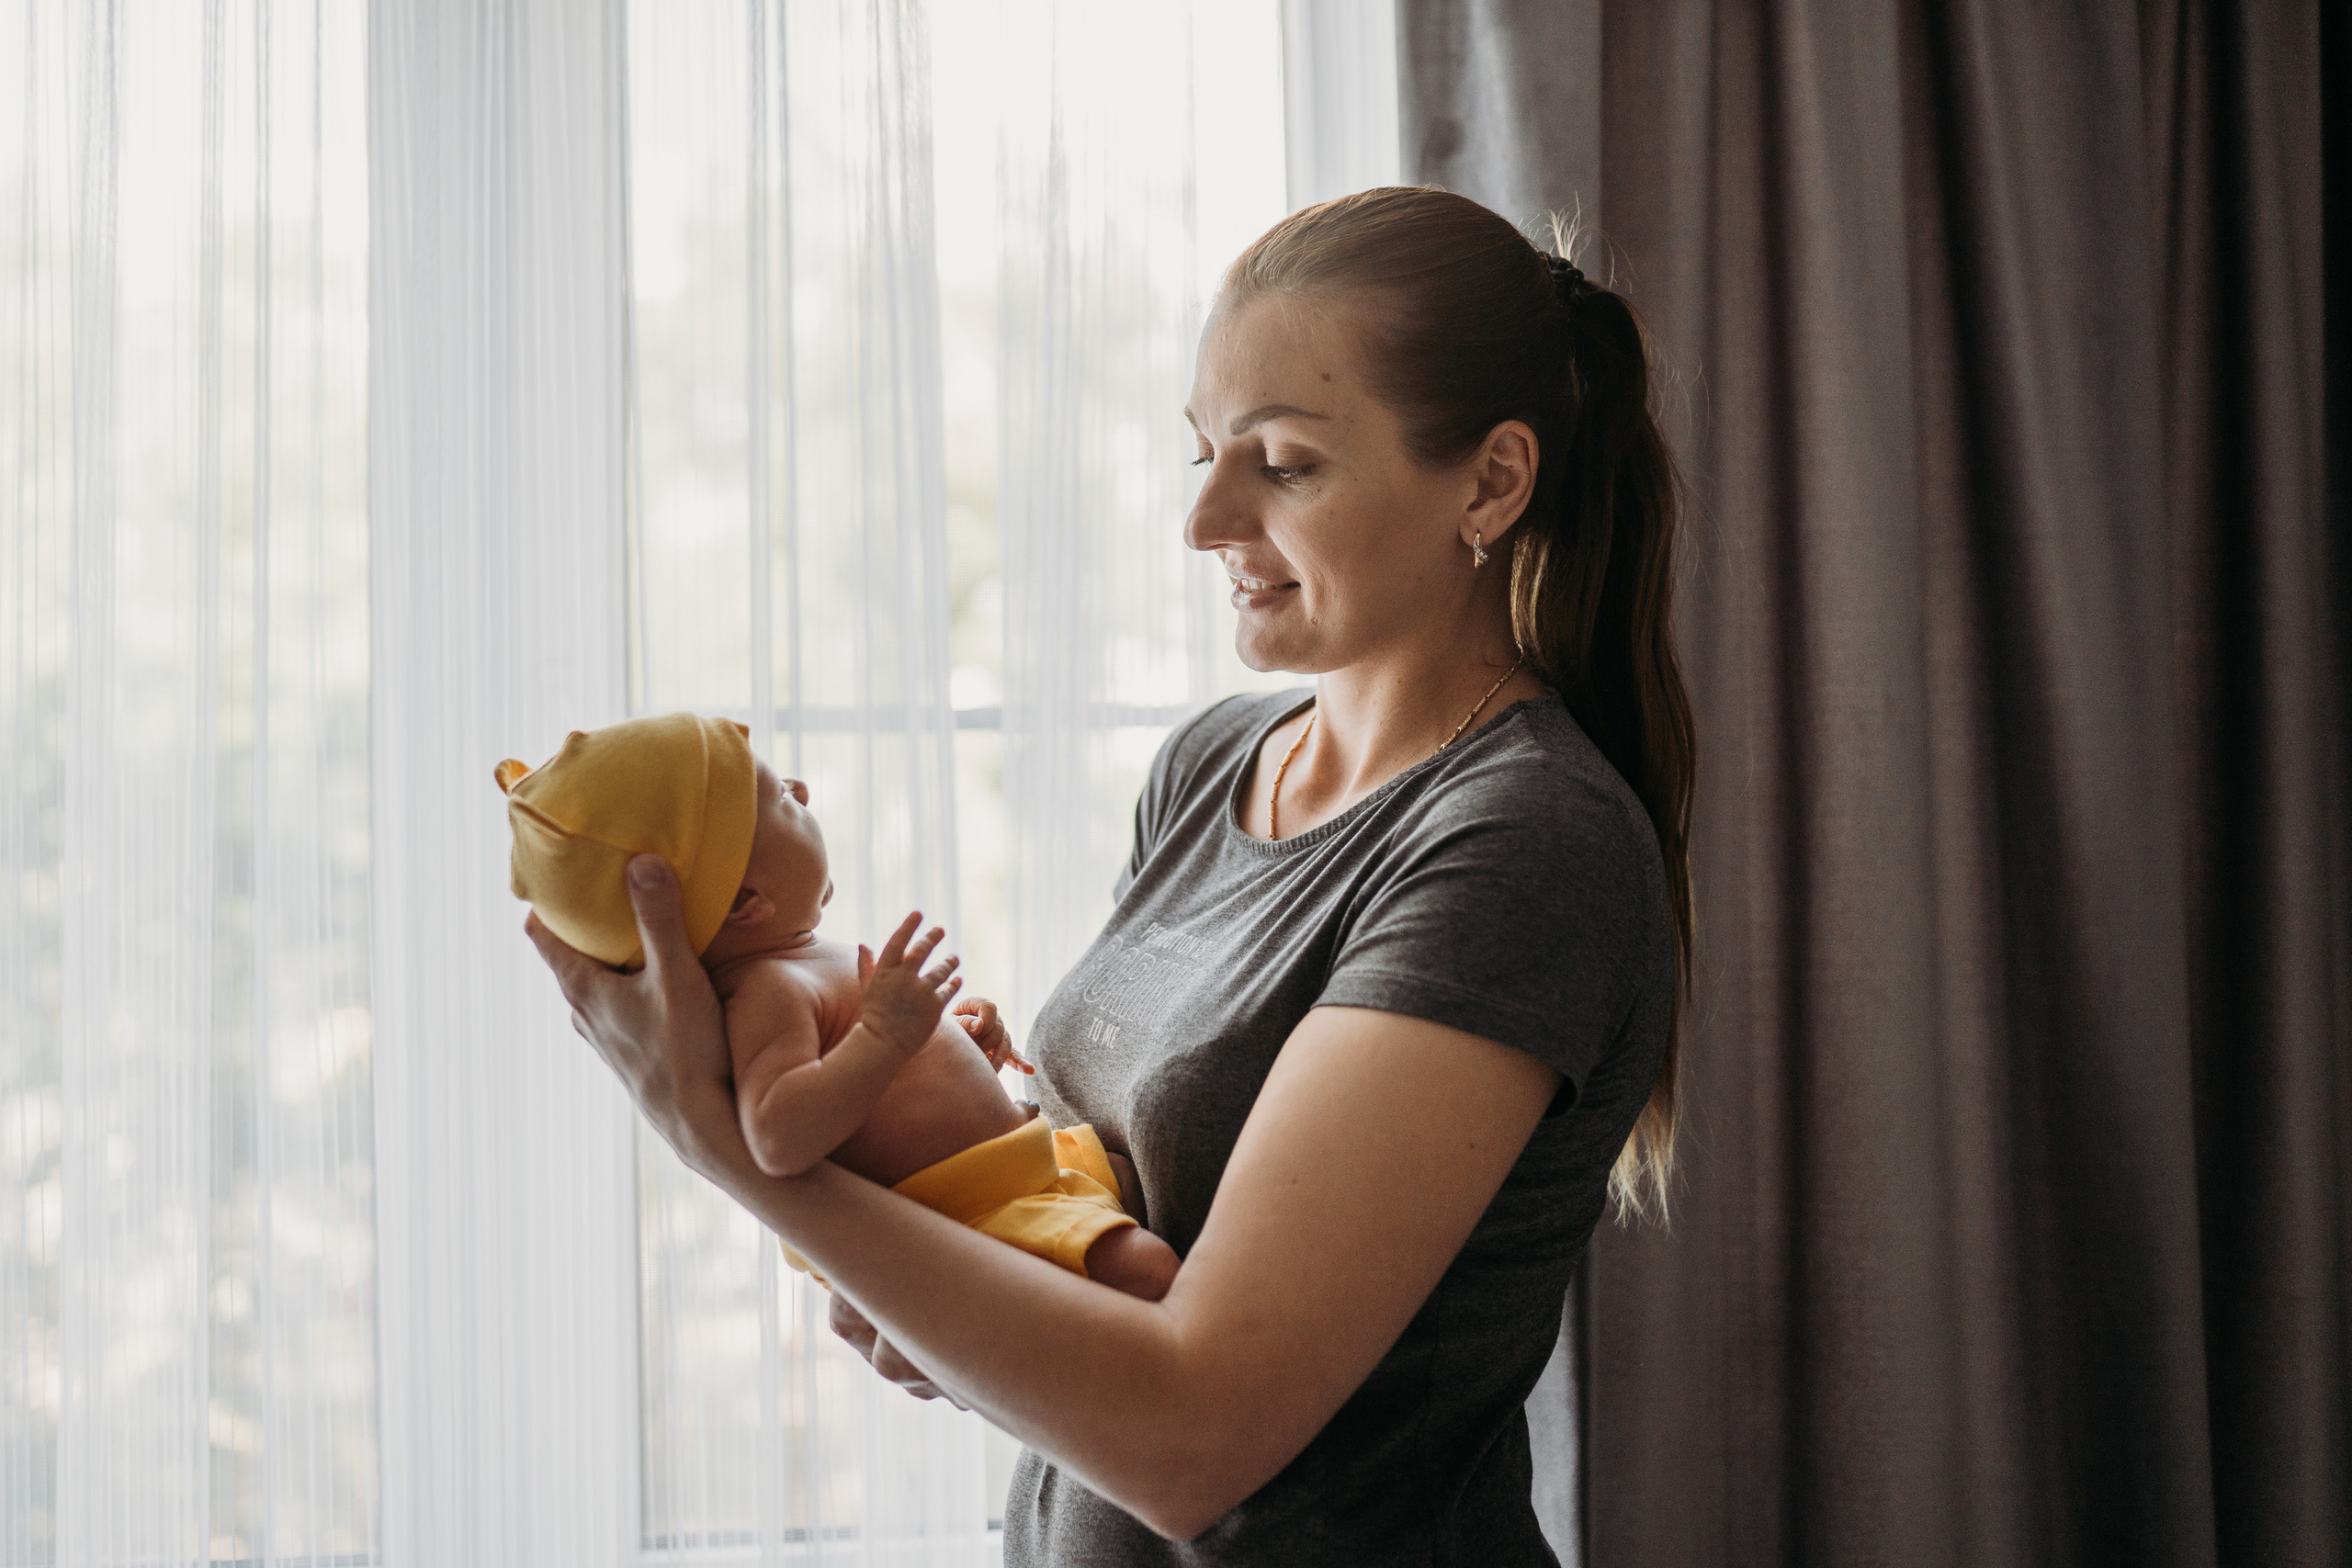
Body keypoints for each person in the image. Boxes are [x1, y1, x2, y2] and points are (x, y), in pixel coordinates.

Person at [528, 186, 1694, 1564]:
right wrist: (920, 1254)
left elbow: (1196, 1437)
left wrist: (730, 1149)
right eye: (1203, 450)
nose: (1203, 518)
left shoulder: (1521, 844)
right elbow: (1116, 1239)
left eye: (1285, 463)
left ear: (1491, 483)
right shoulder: (1211, 764)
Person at [498, 712, 1177, 1300]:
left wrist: (961, 1047)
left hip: (1022, 1172)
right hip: (977, 1221)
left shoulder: (804, 962)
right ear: (746, 901)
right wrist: (885, 1035)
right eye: (781, 798)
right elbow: (776, 1134)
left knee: (1131, 1178)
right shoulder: (768, 993)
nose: (802, 790)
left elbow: (881, 1106)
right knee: (1148, 1270)